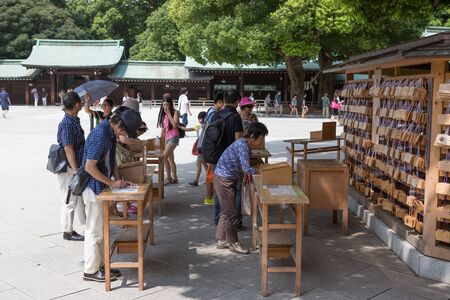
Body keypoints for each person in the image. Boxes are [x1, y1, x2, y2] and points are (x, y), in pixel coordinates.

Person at [82, 108, 142, 282]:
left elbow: (111, 161)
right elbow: (89, 167)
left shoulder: (110, 134)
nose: (122, 133)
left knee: (102, 229)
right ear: (117, 123)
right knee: (94, 230)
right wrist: (111, 183)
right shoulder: (100, 135)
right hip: (92, 187)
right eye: (122, 130)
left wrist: (119, 180)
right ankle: (90, 270)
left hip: (102, 187)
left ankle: (102, 265)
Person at [214, 122, 269, 254]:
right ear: (252, 136)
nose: (262, 141)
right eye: (261, 138)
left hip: (225, 178)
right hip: (224, 180)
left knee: (226, 211)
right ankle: (233, 243)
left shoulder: (245, 143)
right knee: (232, 213)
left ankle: (222, 240)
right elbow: (247, 169)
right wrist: (265, 170)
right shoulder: (243, 146)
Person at [56, 92, 86, 241]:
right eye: (80, 102)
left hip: (75, 166)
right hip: (69, 168)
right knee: (70, 198)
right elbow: (68, 148)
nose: (81, 103)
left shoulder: (73, 120)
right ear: (76, 105)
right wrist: (75, 170)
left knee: (78, 197)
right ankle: (67, 231)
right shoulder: (67, 123)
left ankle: (86, 225)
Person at [214, 90, 244, 228]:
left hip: (216, 157)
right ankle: (235, 222)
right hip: (230, 160)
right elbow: (238, 141)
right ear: (237, 101)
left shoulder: (217, 113)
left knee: (219, 190)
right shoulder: (235, 117)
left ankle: (218, 219)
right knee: (235, 191)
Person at [204, 92, 225, 206]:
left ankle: (209, 198)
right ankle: (213, 199)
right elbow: (215, 135)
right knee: (213, 176)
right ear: (220, 102)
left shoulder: (210, 111)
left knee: (211, 175)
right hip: (212, 150)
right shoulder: (214, 115)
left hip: (208, 149)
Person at [157, 94, 180, 185]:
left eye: (167, 104)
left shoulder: (175, 112)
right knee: (170, 159)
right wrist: (160, 139)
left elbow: (175, 125)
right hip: (166, 138)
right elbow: (163, 129)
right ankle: (175, 178)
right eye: (163, 105)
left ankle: (169, 178)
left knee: (164, 157)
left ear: (170, 104)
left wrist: (169, 113)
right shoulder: (163, 115)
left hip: (174, 138)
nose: (165, 107)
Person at [184, 111, 208, 188]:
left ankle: (196, 181)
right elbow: (189, 129)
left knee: (199, 163)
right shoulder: (200, 126)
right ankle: (209, 179)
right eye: (199, 119)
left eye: (200, 119)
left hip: (203, 148)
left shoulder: (206, 127)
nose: (199, 120)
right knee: (204, 164)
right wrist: (179, 126)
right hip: (202, 148)